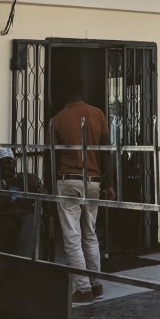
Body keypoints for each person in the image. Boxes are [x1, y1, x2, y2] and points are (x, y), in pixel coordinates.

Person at [50, 89, 114, 303]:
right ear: (82, 93)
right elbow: (106, 151)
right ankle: (97, 285)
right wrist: (110, 183)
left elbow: (52, 156)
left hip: (68, 180)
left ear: (65, 95)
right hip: (93, 181)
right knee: (90, 234)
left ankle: (83, 289)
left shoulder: (57, 119)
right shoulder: (98, 114)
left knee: (72, 238)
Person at [0, 147, 45, 256]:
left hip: (25, 214)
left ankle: (23, 262)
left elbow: (44, 194)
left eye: (9, 162)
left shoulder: (28, 178)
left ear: (15, 163)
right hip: (4, 214)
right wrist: (5, 183)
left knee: (31, 222)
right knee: (4, 227)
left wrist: (34, 187)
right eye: (2, 164)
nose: (6, 167)